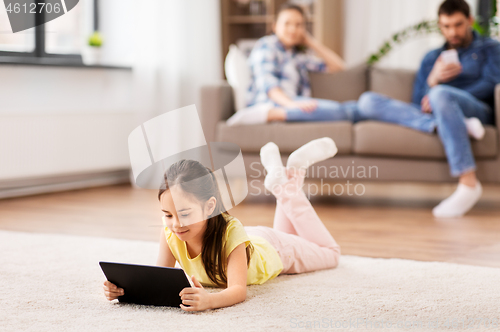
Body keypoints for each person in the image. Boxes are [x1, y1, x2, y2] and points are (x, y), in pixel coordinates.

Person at [103, 137, 341, 312]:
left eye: (184, 214)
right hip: (254, 240)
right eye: (167, 215)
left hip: (277, 249)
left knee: (331, 254)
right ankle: (291, 173)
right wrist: (123, 290)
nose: (175, 224)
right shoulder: (171, 233)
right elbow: (159, 278)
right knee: (288, 231)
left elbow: (238, 291)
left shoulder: (231, 230)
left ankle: (283, 183)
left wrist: (209, 300)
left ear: (209, 207)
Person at [357, 0, 500, 218]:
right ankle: (455, 125)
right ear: (439, 26)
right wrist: (433, 80)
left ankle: (468, 182)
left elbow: (492, 83)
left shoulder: (490, 49)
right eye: (446, 26)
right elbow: (417, 101)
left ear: (470, 21)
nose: (453, 32)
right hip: (439, 111)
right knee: (368, 101)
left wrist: (444, 96)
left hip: (477, 109)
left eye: (458, 24)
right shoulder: (431, 58)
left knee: (441, 94)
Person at [227, 3, 361, 126]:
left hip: (293, 104)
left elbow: (340, 68)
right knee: (343, 111)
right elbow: (269, 85)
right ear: (275, 26)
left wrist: (311, 42)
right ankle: (267, 115)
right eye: (287, 23)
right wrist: (292, 104)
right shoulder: (266, 46)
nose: (292, 29)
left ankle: (365, 107)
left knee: (344, 109)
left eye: (298, 25)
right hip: (272, 104)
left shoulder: (297, 56)